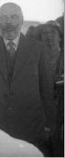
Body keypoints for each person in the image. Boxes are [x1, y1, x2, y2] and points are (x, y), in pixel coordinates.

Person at [0, 2, 55, 154]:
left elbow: (47, 90)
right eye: (3, 17)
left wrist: (49, 125)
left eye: (13, 17)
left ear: (22, 20)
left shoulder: (38, 49)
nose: (8, 22)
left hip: (30, 127)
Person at [35, 21, 64, 156]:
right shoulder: (35, 59)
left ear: (60, 36)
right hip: (42, 113)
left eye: (52, 33)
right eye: (45, 33)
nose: (48, 36)